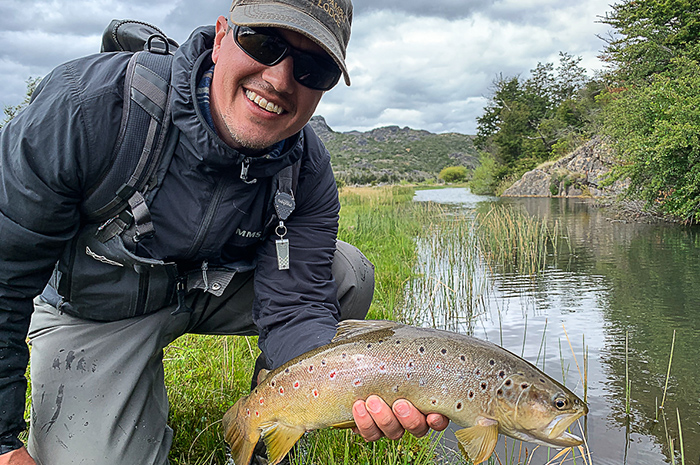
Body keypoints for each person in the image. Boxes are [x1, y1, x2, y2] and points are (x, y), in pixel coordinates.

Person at [0, 0, 449, 464]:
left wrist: (344, 385)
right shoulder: (88, 107)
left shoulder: (307, 169)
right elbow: (3, 278)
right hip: (97, 311)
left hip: (206, 290)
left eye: (313, 68)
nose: (279, 80)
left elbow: (297, 305)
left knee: (345, 273)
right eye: (264, 43)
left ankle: (271, 420)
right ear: (220, 38)